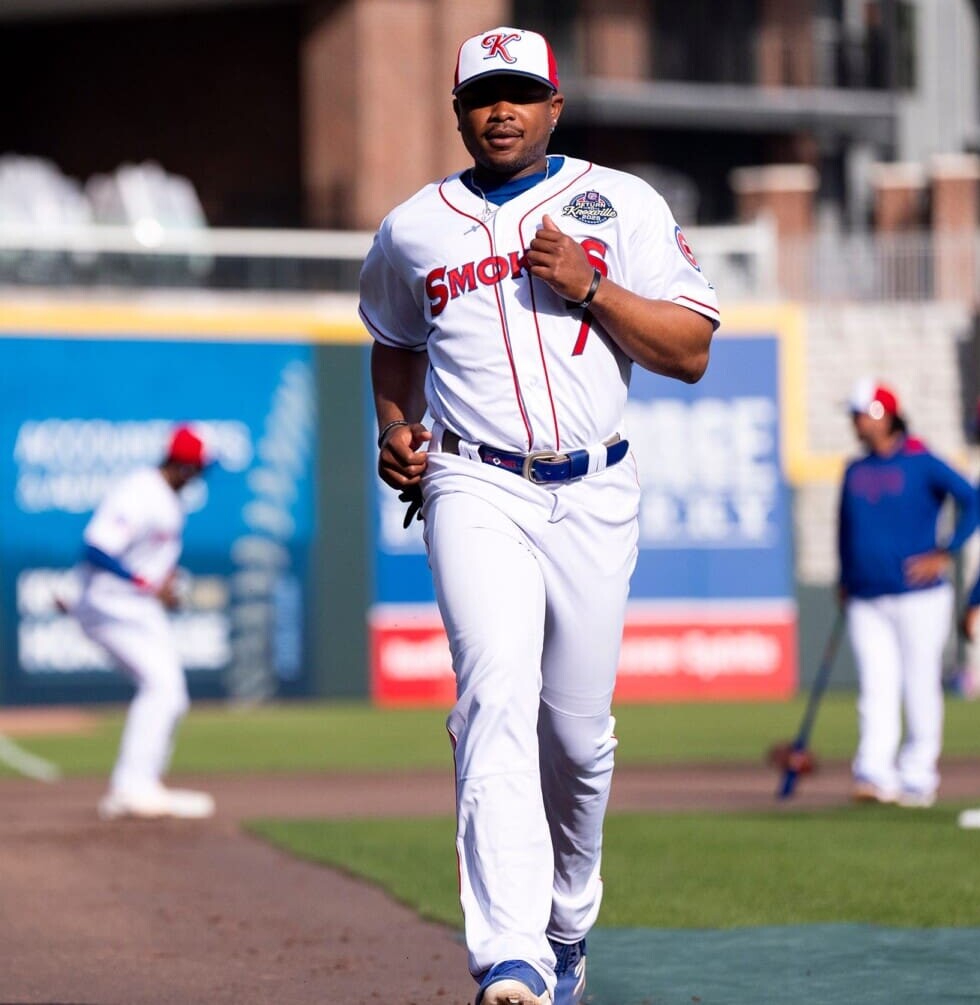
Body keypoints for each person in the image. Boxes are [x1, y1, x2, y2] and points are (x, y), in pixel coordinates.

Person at [358, 26, 718, 1005]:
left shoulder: (620, 203)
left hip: (594, 492)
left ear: (554, 105)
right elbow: (392, 340)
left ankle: (566, 921)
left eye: (520, 92)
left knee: (576, 740)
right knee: (491, 698)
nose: (502, 110)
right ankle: (509, 955)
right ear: (458, 112)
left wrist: (591, 285)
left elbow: (688, 351)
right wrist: (398, 427)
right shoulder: (411, 229)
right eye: (483, 95)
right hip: (474, 486)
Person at [838, 378, 978, 809]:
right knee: (876, 687)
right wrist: (845, 575)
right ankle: (875, 774)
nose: (854, 422)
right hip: (866, 596)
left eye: (860, 414)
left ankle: (918, 775)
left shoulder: (922, 461)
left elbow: (973, 499)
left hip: (920, 594)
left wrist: (947, 551)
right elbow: (845, 529)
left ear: (881, 415)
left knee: (919, 682)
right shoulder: (855, 469)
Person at [65, 425, 215, 821]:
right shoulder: (141, 491)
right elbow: (96, 547)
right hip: (112, 607)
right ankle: (133, 786)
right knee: (163, 688)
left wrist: (161, 583)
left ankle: (137, 785)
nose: (202, 476)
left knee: (169, 692)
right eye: (199, 468)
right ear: (183, 466)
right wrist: (145, 583)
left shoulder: (166, 497)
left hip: (132, 608)